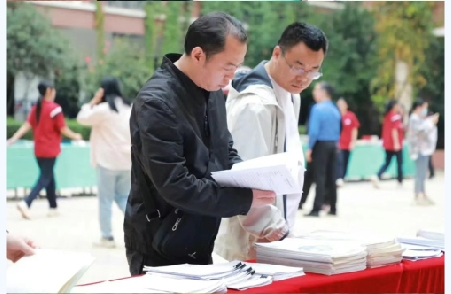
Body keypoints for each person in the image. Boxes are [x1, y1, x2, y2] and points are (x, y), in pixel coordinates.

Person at [123, 12, 276, 275]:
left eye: (236, 67)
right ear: (198, 55)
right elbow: (176, 185)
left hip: (199, 234)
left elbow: (224, 147)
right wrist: (243, 200)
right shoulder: (156, 103)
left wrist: (250, 177)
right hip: (159, 242)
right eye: (227, 66)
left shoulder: (212, 89)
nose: (231, 76)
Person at [215, 22, 327, 261]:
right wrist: (277, 230)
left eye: (313, 71)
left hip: (275, 236)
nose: (304, 78)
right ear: (277, 53)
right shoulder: (254, 105)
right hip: (248, 243)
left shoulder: (290, 95)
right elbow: (245, 178)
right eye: (298, 68)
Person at [7, 81, 82, 219]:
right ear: (48, 91)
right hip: (50, 149)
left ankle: (53, 207)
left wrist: (13, 138)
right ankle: (26, 202)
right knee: (45, 178)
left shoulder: (36, 108)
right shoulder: (55, 109)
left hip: (39, 150)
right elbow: (62, 128)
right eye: (53, 90)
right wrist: (76, 136)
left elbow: (26, 126)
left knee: (49, 176)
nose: (54, 92)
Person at [77, 77, 132, 249]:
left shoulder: (103, 109)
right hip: (126, 161)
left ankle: (107, 237)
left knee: (105, 200)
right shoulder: (129, 108)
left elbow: (82, 118)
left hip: (107, 162)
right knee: (124, 198)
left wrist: (92, 101)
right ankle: (141, 228)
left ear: (103, 90)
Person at [305, 82, 341, 217]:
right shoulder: (335, 109)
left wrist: (310, 148)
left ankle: (316, 208)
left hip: (320, 144)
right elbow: (338, 129)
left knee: (319, 176)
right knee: (332, 176)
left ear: (323, 92)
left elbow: (314, 131)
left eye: (316, 90)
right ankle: (333, 207)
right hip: (333, 144)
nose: (314, 93)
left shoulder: (317, 108)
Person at [408, 100, 439, 205]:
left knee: (422, 173)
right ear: (418, 107)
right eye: (424, 107)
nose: (425, 110)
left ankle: (422, 193)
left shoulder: (419, 119)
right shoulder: (414, 118)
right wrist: (431, 123)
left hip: (424, 149)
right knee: (420, 173)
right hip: (419, 149)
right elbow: (421, 131)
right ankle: (418, 194)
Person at [372, 100, 404, 188]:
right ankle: (400, 181)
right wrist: (397, 143)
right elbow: (394, 130)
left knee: (387, 162)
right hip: (395, 144)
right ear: (394, 106)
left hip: (388, 144)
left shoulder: (387, 116)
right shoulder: (396, 117)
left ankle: (377, 175)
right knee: (399, 163)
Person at [336, 98, 360, 186]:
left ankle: (343, 177)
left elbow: (354, 129)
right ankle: (338, 178)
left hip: (348, 143)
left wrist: (353, 141)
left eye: (342, 104)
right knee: (339, 161)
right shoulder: (336, 115)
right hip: (339, 143)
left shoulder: (351, 115)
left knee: (346, 161)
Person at [426, 110, 437, 179]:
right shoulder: (432, 123)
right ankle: (431, 173)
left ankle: (431, 173)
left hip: (428, 144)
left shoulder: (429, 122)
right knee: (429, 159)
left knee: (428, 159)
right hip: (430, 143)